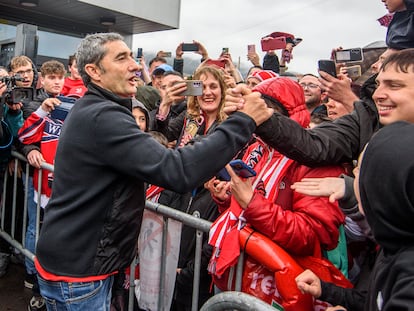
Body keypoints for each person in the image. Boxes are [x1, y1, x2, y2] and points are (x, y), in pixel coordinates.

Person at [34, 32, 272, 310]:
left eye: (132, 57)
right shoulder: (103, 116)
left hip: (78, 263)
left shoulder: (99, 109)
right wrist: (243, 121)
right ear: (94, 71)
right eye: (121, 58)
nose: (136, 65)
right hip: (80, 274)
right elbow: (177, 170)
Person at [206, 77, 349, 310]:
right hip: (243, 280)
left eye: (261, 111)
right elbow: (245, 212)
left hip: (285, 290)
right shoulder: (259, 148)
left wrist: (252, 203)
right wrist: (227, 199)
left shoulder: (316, 162)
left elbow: (310, 235)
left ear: (280, 115)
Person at [296, 121, 414, 311]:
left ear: (385, 185)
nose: (353, 174)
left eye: (361, 169)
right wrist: (328, 291)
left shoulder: (409, 279)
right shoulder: (395, 244)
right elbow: (375, 300)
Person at [18, 59, 67, 311]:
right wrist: (30, 149)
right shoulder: (34, 103)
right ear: (43, 80)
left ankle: (50, 287)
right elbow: (24, 136)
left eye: (61, 77)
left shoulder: (75, 104)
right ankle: (34, 279)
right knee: (37, 231)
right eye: (52, 77)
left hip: (67, 187)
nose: (57, 82)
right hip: (39, 182)